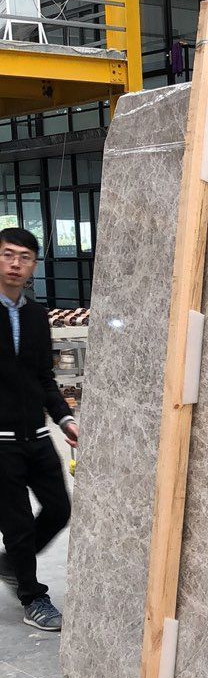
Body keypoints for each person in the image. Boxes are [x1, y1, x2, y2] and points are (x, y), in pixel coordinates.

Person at [0, 227, 78, 630]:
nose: (16, 264)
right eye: (8, 255)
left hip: (38, 436)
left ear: (33, 265)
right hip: (0, 444)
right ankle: (33, 597)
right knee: (15, 525)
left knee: (60, 509)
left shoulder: (36, 315)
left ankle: (11, 565)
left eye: (25, 257)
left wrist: (65, 418)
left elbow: (44, 377)